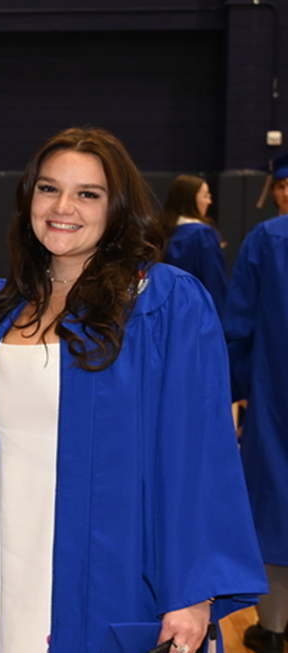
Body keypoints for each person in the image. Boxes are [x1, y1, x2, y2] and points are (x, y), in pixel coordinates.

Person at [0, 127, 265, 653]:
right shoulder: (6, 310)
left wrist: (193, 594)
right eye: (48, 188)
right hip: (10, 557)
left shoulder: (161, 302)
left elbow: (198, 453)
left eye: (88, 194)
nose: (64, 207)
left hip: (116, 566)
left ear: (117, 207)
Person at [224, 152, 288, 653]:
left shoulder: (268, 241)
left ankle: (272, 626)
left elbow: (238, 331)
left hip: (275, 400)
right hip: (270, 397)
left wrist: (240, 394)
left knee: (273, 512)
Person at [159, 174, 227, 317]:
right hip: (196, 314)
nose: (209, 201)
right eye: (205, 195)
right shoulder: (202, 234)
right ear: (190, 199)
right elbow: (213, 283)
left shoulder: (160, 232)